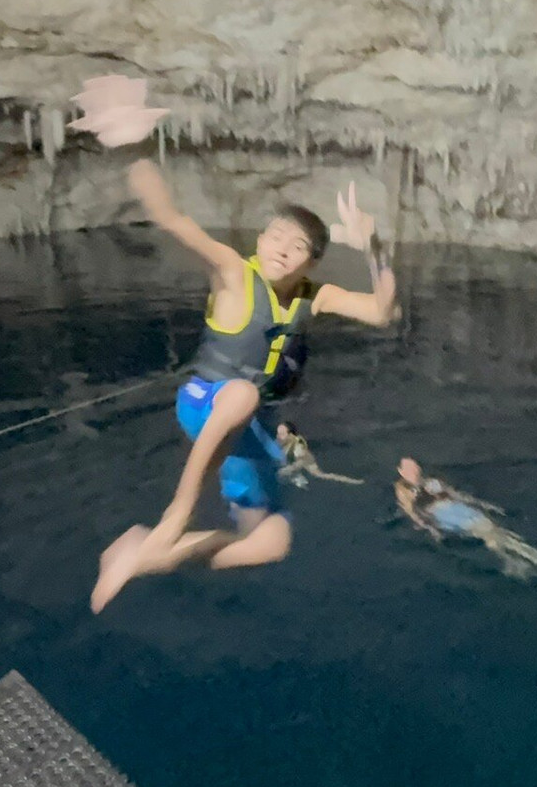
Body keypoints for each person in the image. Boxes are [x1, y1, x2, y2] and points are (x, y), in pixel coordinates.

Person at [90, 160, 397, 613]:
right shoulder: (235, 271)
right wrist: (132, 149)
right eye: (275, 236)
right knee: (243, 394)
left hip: (248, 431)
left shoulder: (316, 295)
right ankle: (177, 514)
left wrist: (372, 246)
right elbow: (173, 219)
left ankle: (140, 557)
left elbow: (382, 312)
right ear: (260, 239)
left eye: (298, 247)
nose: (282, 250)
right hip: (206, 402)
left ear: (312, 261)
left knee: (271, 540)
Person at [394, 457, 537, 579]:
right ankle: (519, 559)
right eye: (409, 469)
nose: (414, 471)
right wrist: (430, 528)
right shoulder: (403, 490)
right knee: (484, 531)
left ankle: (527, 557)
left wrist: (485, 505)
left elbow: (458, 495)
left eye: (415, 467)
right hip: (442, 515)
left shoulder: (432, 482)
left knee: (492, 529)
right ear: (401, 472)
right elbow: (411, 512)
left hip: (458, 508)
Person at [276, 421, 364, 488]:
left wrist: (288, 469)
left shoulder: (298, 449)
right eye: (278, 433)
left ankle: (354, 481)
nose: (278, 436)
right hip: (295, 459)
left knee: (320, 475)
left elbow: (301, 462)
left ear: (291, 435)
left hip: (307, 461)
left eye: (282, 434)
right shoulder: (283, 442)